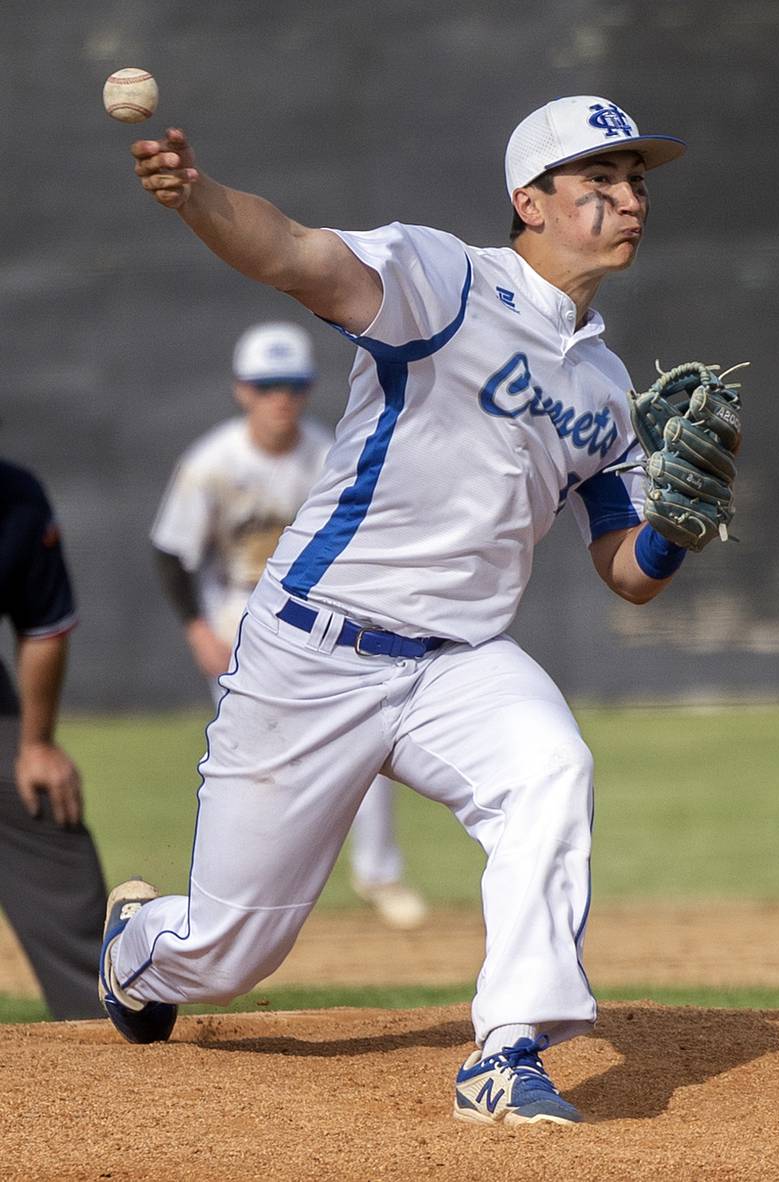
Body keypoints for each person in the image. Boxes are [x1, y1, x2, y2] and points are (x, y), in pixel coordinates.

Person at [99, 94, 694, 1124]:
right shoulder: (440, 279)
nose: (627, 198)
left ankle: (506, 1053)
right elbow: (290, 253)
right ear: (530, 200)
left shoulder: (605, 387)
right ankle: (139, 951)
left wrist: (675, 528)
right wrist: (195, 198)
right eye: (597, 179)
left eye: (634, 180)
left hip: (456, 660)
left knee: (550, 767)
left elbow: (624, 569)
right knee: (230, 954)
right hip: (312, 644)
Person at [150, 320, 427, 929]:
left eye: (292, 385)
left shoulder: (327, 455)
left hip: (319, 610)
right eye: (266, 384)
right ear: (242, 390)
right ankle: (237, 893)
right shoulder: (212, 463)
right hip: (238, 609)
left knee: (365, 734)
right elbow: (172, 551)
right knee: (252, 755)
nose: (281, 397)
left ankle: (379, 874)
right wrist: (198, 629)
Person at [0, 459, 106, 1019]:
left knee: (40, 804)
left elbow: (42, 626)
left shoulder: (14, 500)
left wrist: (36, 744)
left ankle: (99, 1027)